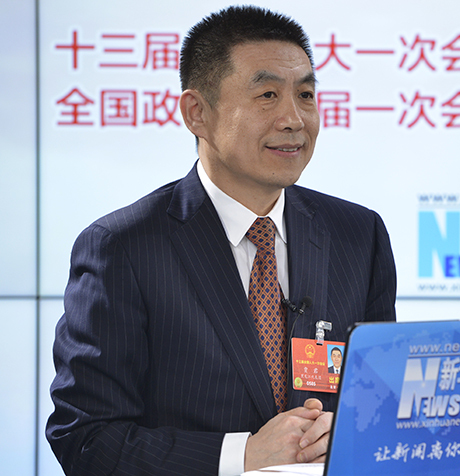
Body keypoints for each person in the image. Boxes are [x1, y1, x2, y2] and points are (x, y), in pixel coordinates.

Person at [45, 5, 397, 476]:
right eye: (267, 95)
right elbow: (86, 439)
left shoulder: (359, 234)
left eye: (306, 95)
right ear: (198, 113)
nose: (294, 119)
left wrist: (354, 430)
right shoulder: (123, 248)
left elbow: (379, 404)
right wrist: (242, 455)